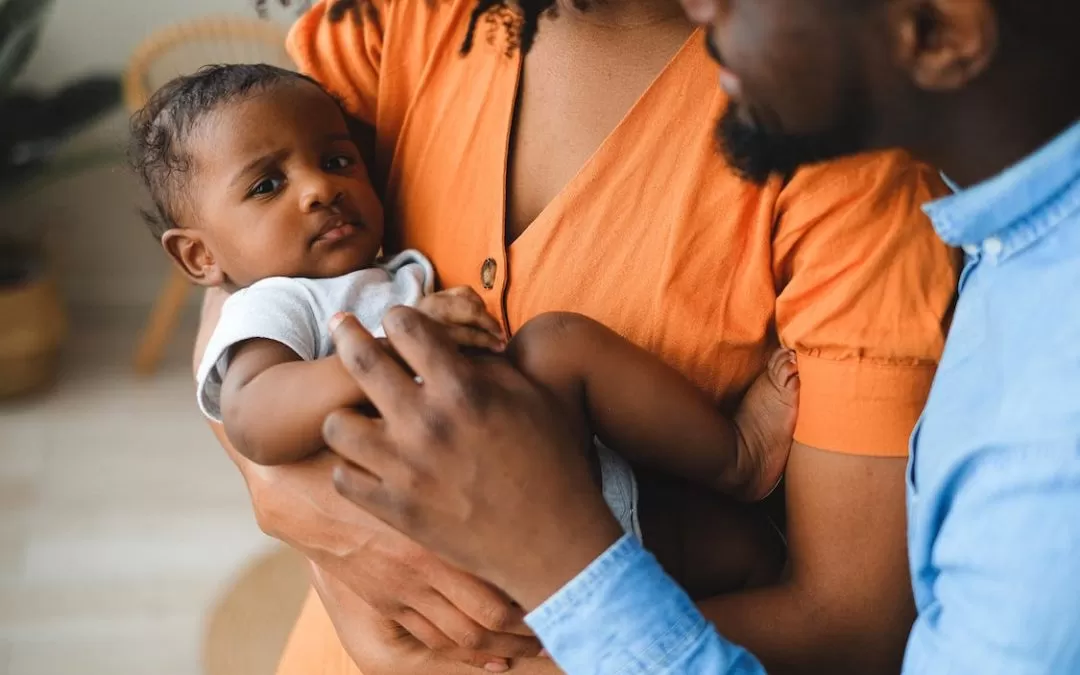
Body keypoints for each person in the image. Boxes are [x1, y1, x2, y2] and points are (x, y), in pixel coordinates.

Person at [195, 0, 959, 672]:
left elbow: (850, 627)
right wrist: (305, 510)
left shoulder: (844, 155)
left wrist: (466, 660)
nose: (317, 186)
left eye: (332, 165)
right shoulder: (404, 14)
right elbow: (237, 272)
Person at [135, 63, 802, 590]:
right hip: (463, 522)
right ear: (201, 256)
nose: (318, 188)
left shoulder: (386, 269)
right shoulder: (274, 304)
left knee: (748, 554)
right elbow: (253, 415)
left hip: (556, 482)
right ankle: (733, 458)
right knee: (557, 345)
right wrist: (376, 355)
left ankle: (726, 480)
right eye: (265, 186)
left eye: (336, 160)